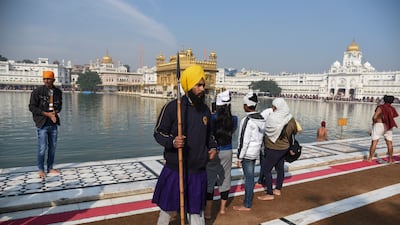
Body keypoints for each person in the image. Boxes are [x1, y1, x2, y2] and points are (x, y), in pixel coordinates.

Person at [152, 65, 218, 225]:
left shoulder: (205, 111)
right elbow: (158, 133)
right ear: (188, 85)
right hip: (176, 169)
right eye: (198, 85)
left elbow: (210, 135)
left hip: (197, 171)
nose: (202, 89)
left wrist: (213, 147)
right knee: (167, 212)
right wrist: (173, 142)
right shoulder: (173, 107)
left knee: (196, 213)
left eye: (203, 85)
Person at [205, 90, 238, 218]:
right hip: (227, 151)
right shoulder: (234, 119)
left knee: (210, 181)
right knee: (225, 179)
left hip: (213, 151)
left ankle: (208, 211)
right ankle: (223, 209)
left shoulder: (212, 118)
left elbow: (208, 133)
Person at [258, 98, 297, 201]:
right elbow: (294, 131)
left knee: (266, 169)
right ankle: (278, 189)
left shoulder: (272, 118)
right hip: (284, 147)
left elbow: (267, 130)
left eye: (274, 106)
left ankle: (270, 193)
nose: (272, 108)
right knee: (280, 168)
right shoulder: (290, 118)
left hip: (273, 148)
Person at [233, 92, 266, 211]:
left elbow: (243, 141)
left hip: (247, 153)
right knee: (250, 177)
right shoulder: (261, 118)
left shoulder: (247, 120)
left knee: (249, 178)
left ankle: (247, 204)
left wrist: (239, 157)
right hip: (255, 152)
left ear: (247, 105)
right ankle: (248, 200)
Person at [29, 71, 62, 179]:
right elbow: (32, 107)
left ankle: (50, 167)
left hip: (53, 123)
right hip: (42, 123)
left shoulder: (58, 92)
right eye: (45, 79)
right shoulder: (37, 92)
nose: (47, 81)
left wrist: (54, 113)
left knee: (52, 147)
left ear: (53, 80)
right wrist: (47, 114)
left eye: (49, 79)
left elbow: (59, 107)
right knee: (42, 148)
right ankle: (41, 169)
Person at [367, 95, 398, 163]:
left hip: (379, 125)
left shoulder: (381, 107)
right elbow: (392, 117)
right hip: (388, 126)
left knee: (374, 142)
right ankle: (390, 159)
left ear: (384, 100)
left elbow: (374, 117)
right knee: (389, 143)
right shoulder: (392, 108)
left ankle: (370, 158)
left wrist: (373, 124)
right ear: (392, 101)